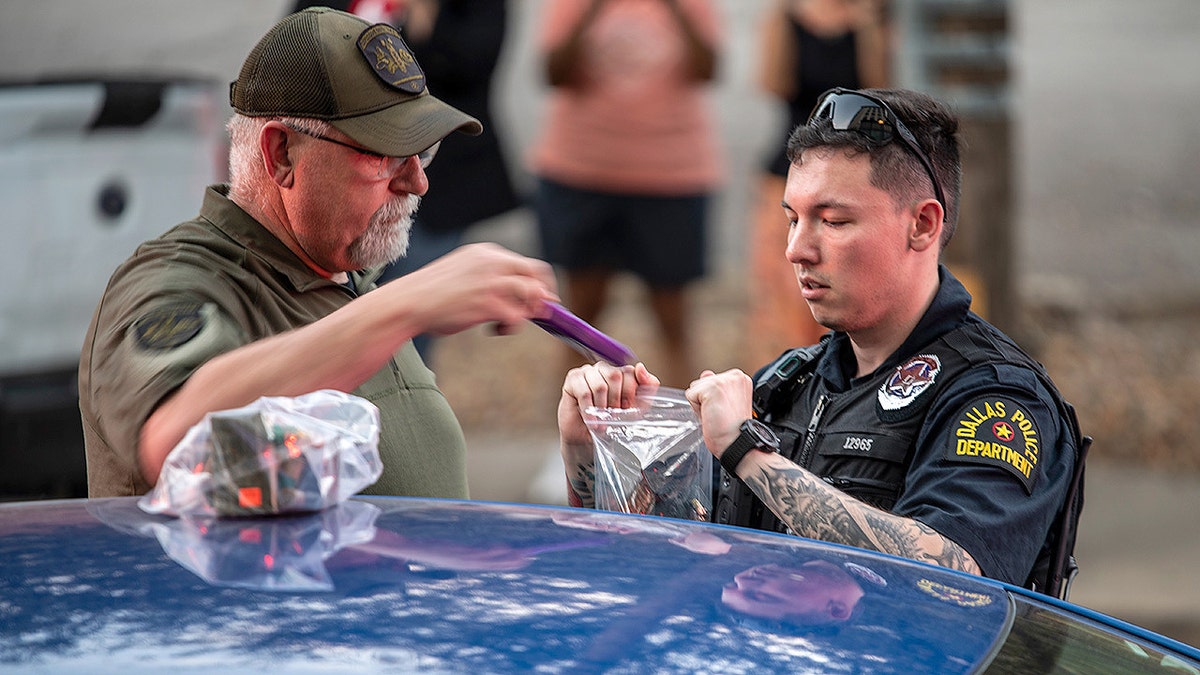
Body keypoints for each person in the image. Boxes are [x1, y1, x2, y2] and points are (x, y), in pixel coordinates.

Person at [557, 87, 1084, 592]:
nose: (796, 249)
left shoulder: (996, 400)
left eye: (832, 221)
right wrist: (591, 445)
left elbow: (957, 576)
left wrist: (748, 451)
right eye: (792, 219)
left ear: (922, 225)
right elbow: (659, 551)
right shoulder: (789, 382)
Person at [78, 7, 557, 499]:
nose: (418, 181)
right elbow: (174, 438)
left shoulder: (349, 278)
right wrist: (406, 305)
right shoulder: (174, 277)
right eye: (382, 154)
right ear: (281, 153)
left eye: (423, 151)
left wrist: (587, 465)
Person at [529, 0, 723, 388]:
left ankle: (694, 434)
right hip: (581, 169)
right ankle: (569, 434)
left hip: (671, 175)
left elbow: (708, 69)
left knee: (674, 319)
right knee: (578, 320)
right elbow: (554, 72)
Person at [376, 0, 522, 362]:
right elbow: (296, 49)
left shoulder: (476, 11)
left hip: (438, 187)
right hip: (347, 174)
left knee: (408, 324)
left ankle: (401, 406)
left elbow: (467, 68)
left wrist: (423, 15)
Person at [746, 0, 890, 366]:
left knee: (850, 295)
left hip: (855, 181)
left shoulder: (873, 17)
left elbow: (882, 91)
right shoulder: (786, 17)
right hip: (789, 172)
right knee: (783, 301)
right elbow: (773, 83)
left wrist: (868, 27)